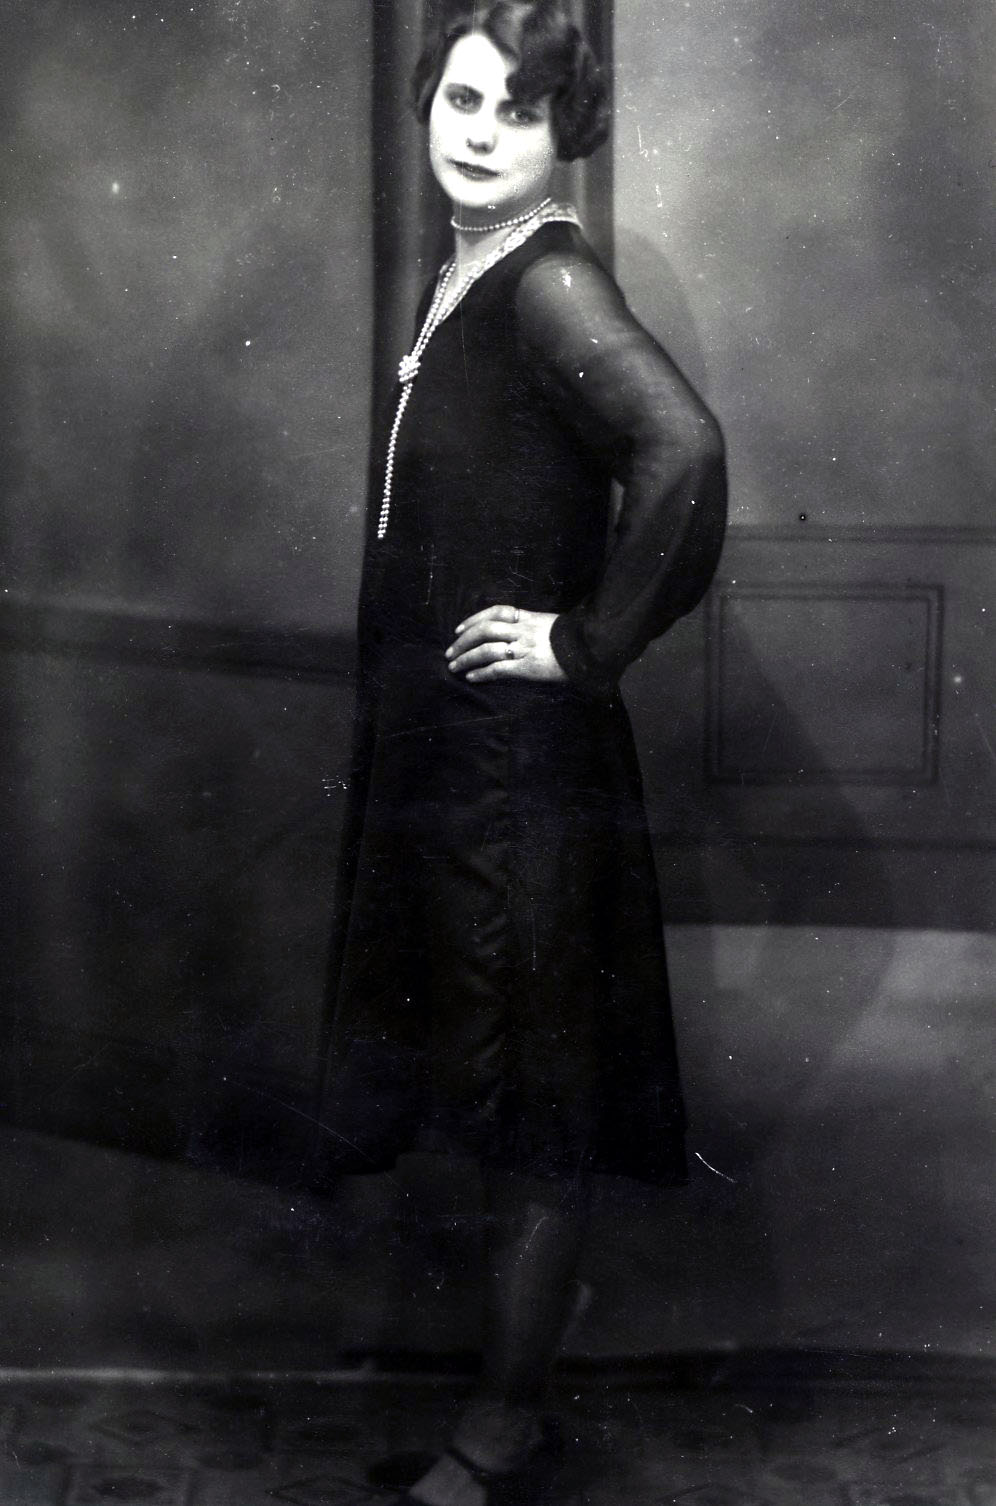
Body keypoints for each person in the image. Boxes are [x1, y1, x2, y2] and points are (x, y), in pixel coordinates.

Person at [313, 3, 727, 1502]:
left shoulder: (548, 281)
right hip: (459, 764)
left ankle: (499, 1428)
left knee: (536, 1102)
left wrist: (585, 643)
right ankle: (517, 1383)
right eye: (462, 98)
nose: (479, 131)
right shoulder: (470, 268)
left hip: (522, 770)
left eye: (519, 111)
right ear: (429, 100)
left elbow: (685, 453)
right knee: (496, 1093)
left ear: (567, 136)